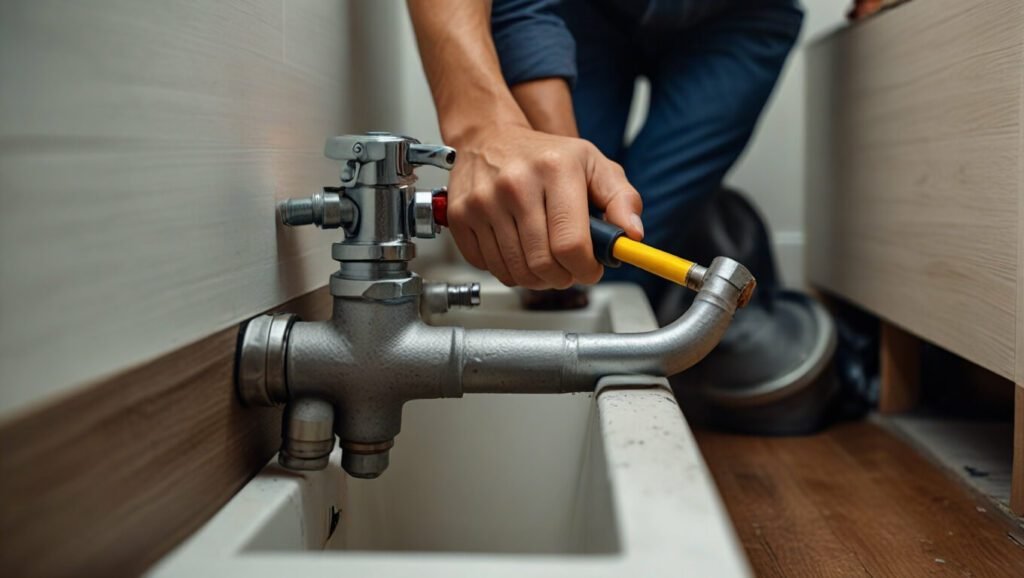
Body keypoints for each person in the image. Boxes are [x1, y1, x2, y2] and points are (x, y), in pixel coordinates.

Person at [407, 0, 803, 307]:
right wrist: (486, 128)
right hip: (582, 12)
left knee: (621, 246)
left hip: (742, 17)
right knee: (556, 244)